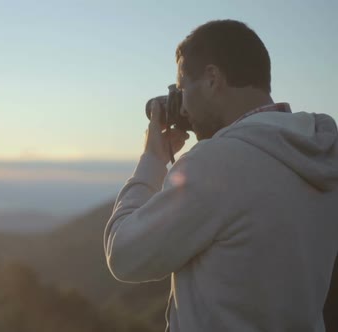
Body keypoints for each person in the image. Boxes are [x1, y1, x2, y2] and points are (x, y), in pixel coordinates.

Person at [103, 19, 338, 332]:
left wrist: (152, 160)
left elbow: (123, 255)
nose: (182, 107)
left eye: (182, 89)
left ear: (212, 79)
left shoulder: (216, 163)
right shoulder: (322, 153)